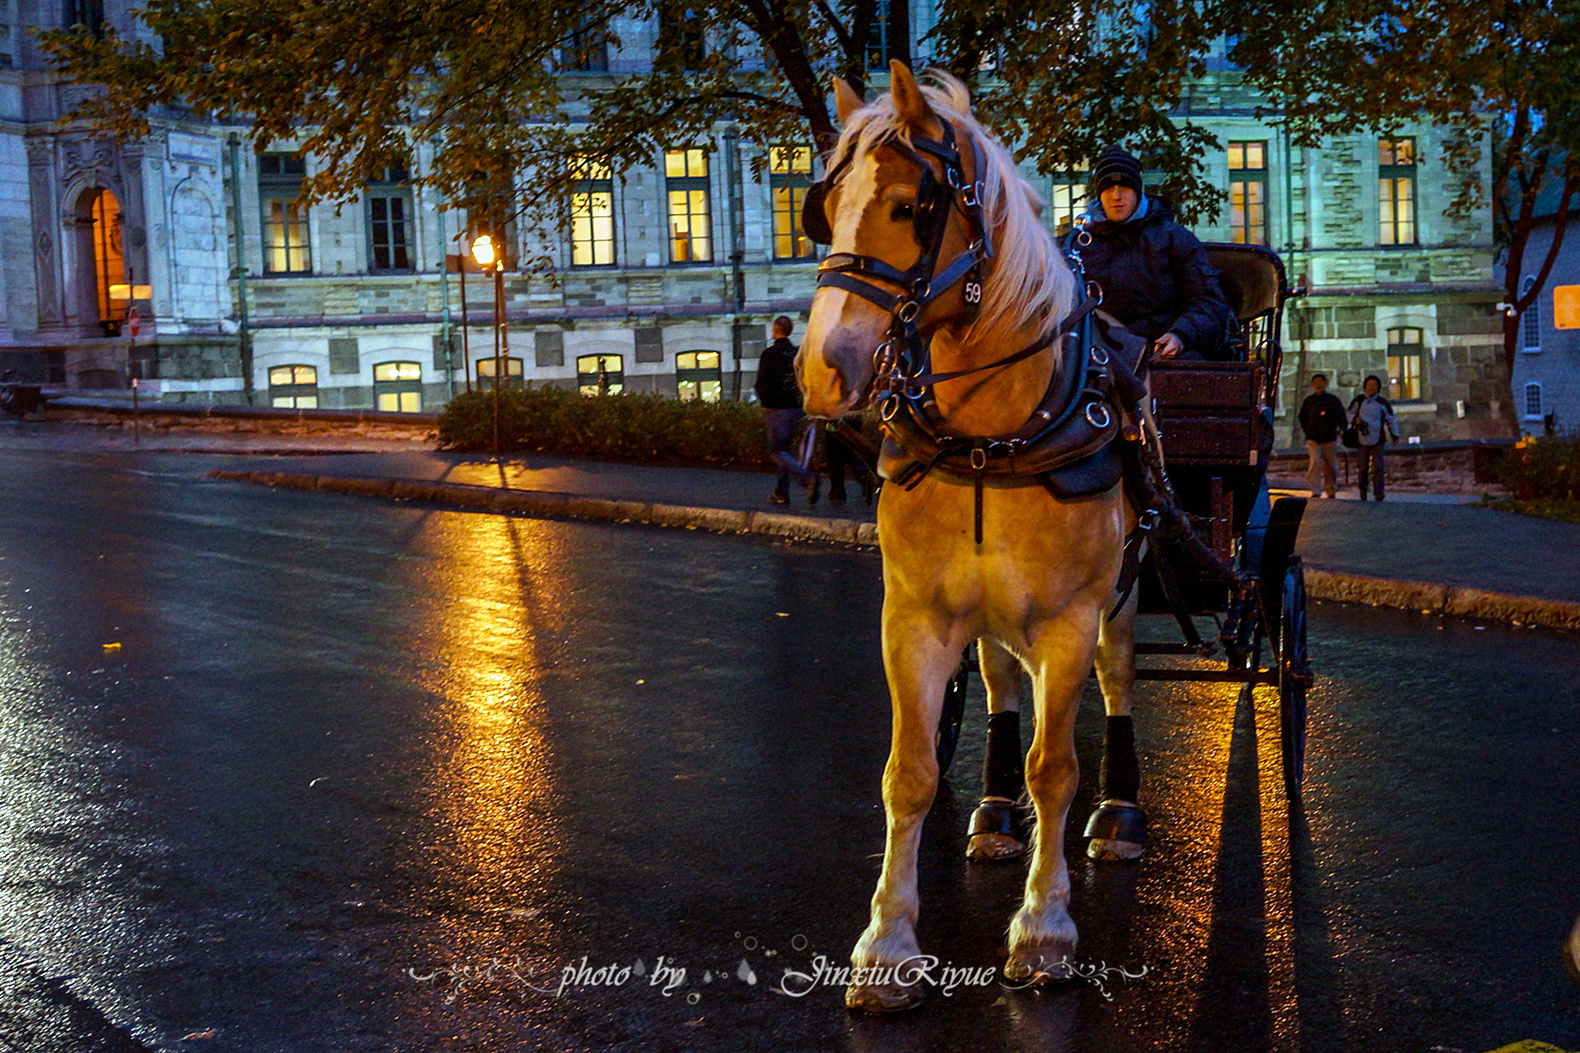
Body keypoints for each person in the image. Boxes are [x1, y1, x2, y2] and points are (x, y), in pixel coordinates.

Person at [1073, 145, 1232, 362]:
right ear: (1099, 194)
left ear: (1138, 191)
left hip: (1161, 351)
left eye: (1125, 188)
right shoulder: (1079, 244)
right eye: (1108, 189)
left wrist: (1180, 335)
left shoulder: (1174, 239)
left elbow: (1208, 301)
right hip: (1097, 352)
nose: (1116, 196)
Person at [754, 316, 819, 505]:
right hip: (797, 408)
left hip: (777, 409)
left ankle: (807, 478)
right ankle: (781, 492)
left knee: (778, 451)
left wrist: (765, 401)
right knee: (786, 452)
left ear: (775, 329)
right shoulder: (796, 353)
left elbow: (762, 383)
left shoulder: (770, 354)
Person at [1348, 374, 1397, 501]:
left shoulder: (1382, 403)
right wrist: (1355, 420)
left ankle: (1378, 492)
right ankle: (1363, 489)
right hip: (1362, 439)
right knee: (1363, 467)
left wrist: (1395, 435)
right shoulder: (1359, 401)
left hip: (1378, 439)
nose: (1371, 388)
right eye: (1369, 385)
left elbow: (1390, 419)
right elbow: (1349, 414)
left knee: (1378, 468)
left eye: (1374, 385)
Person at [1298, 373, 1347, 498]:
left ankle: (1330, 489)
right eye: (1316, 382)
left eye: (1321, 382)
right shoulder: (1309, 401)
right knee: (1314, 464)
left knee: (1331, 466)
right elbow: (1303, 418)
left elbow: (1341, 416)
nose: (1318, 385)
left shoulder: (1332, 400)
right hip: (1313, 439)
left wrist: (1342, 429)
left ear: (1325, 383)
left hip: (1329, 438)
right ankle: (1315, 490)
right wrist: (1308, 432)